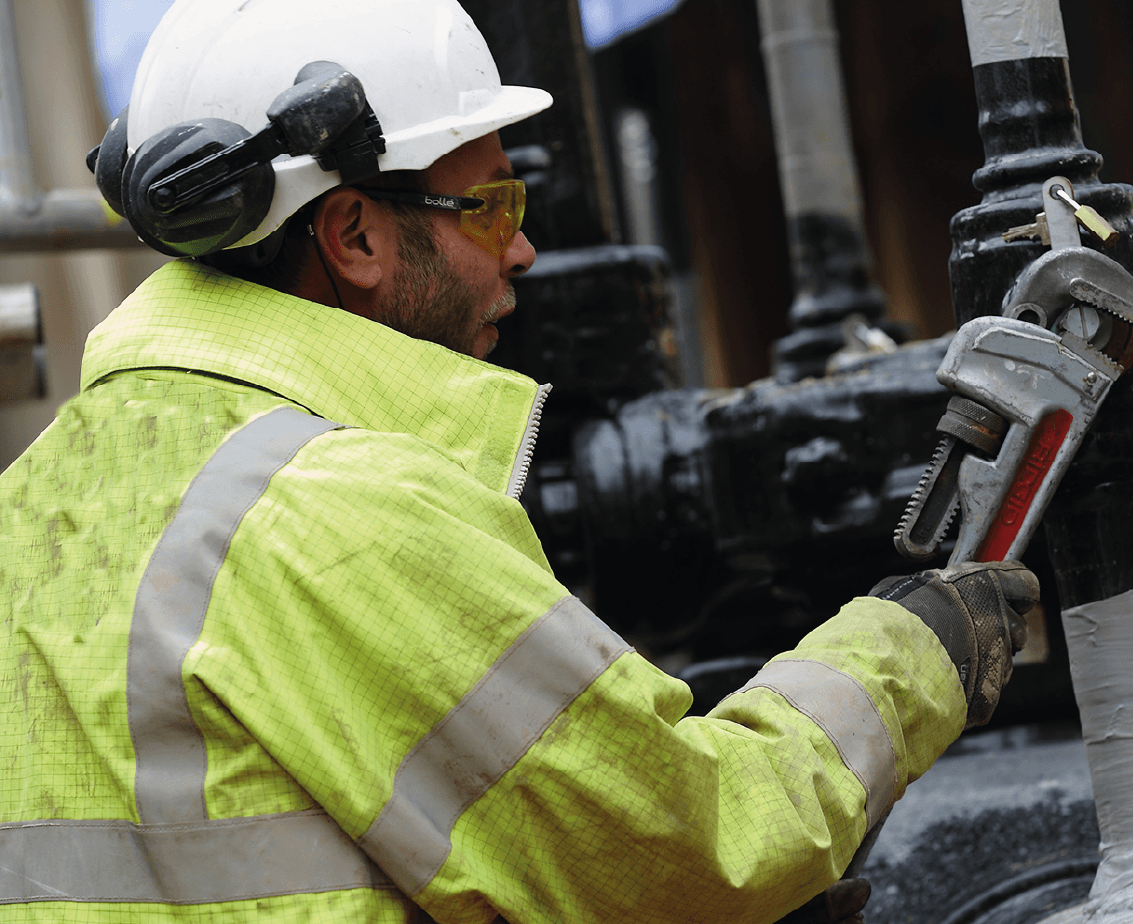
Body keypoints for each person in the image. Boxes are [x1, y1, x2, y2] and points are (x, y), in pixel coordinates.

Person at [0, 1, 1038, 922]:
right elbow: (686, 854)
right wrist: (917, 647)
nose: (521, 250)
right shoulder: (339, 508)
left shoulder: (32, 498)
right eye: (491, 205)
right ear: (353, 234)